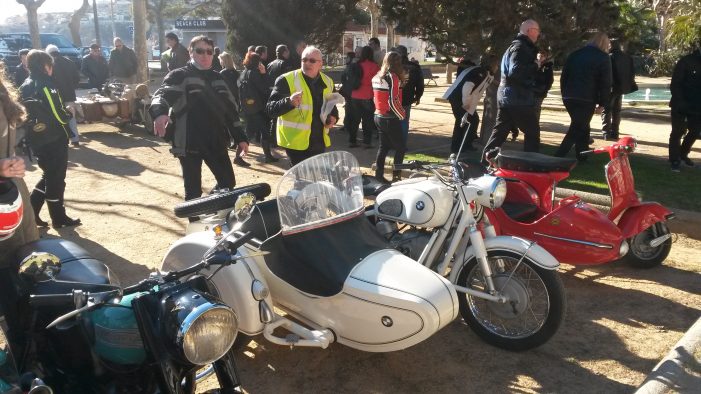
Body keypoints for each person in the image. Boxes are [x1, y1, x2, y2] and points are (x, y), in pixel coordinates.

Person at [150, 36, 249, 204]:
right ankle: (195, 223)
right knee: (193, 190)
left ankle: (211, 208)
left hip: (216, 140)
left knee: (227, 183)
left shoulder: (219, 78)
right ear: (191, 52)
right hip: (189, 141)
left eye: (209, 52)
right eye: (200, 51)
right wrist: (159, 113)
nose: (205, 55)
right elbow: (162, 95)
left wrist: (240, 137)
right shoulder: (179, 75)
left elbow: (231, 111)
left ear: (213, 54)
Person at [0, 62, 39, 358]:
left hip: (12, 197)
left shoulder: (3, 92)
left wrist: (15, 161)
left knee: (22, 269)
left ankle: (24, 354)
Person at [19, 50, 81, 228]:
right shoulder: (46, 84)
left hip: (36, 138)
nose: (51, 68)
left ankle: (32, 211)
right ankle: (58, 217)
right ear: (45, 66)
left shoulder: (25, 84)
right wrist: (69, 113)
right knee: (56, 178)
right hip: (53, 138)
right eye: (50, 65)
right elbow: (58, 114)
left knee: (48, 175)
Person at [481, 19, 542, 164]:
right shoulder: (521, 48)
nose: (538, 34)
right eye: (537, 30)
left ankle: (483, 165)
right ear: (529, 31)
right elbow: (516, 72)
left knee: (499, 134)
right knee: (533, 133)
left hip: (507, 96)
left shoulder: (515, 46)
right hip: (517, 97)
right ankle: (530, 166)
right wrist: (536, 65)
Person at [266, 46, 338, 166]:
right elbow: (270, 109)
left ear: (320, 64)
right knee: (301, 179)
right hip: (295, 143)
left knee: (316, 177)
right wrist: (289, 102)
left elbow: (332, 107)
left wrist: (333, 118)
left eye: (312, 61)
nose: (307, 63)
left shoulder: (328, 82)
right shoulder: (286, 80)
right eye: (304, 60)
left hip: (319, 140)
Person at [555, 32, 612, 161]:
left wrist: (565, 93)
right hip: (586, 97)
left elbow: (564, 76)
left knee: (582, 125)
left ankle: (582, 154)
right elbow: (605, 82)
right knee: (577, 127)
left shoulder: (575, 54)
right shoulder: (603, 57)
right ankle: (558, 156)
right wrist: (603, 103)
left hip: (570, 96)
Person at [444, 56, 496, 155]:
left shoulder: (483, 72)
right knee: (465, 122)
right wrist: (466, 103)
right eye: (497, 65)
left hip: (460, 98)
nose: (497, 68)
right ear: (492, 65)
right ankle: (458, 148)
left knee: (469, 122)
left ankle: (464, 145)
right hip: (459, 99)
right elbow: (467, 86)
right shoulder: (480, 73)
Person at [372, 51, 406, 183]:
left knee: (383, 147)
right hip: (390, 117)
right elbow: (393, 100)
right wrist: (401, 114)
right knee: (400, 148)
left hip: (378, 115)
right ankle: (396, 177)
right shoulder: (392, 77)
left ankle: (379, 175)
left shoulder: (377, 76)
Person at [239, 52, 279, 163]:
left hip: (248, 107)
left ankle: (239, 156)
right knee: (265, 131)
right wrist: (264, 73)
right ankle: (267, 156)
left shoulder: (244, 72)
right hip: (259, 107)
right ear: (257, 61)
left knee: (249, 132)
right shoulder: (255, 73)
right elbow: (265, 89)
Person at [668, 43, 701, 172]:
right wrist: (680, 101)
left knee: (695, 131)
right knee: (678, 131)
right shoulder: (686, 61)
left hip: (697, 105)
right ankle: (674, 160)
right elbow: (676, 83)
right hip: (681, 103)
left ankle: (683, 154)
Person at [219, 51, 250, 167]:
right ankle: (237, 155)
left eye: (220, 60)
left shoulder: (222, 74)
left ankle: (234, 154)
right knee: (238, 130)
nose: (220, 62)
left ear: (224, 60)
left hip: (225, 106)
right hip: (235, 105)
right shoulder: (236, 73)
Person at [46, 44, 81, 147]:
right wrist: (71, 87)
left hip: (55, 95)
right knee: (71, 117)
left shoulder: (49, 64)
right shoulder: (69, 62)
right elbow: (77, 78)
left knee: (58, 117)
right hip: (69, 94)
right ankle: (75, 139)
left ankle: (63, 139)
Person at [602, 39, 637, 140]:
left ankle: (606, 132)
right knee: (617, 111)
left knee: (607, 110)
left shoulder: (609, 57)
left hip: (611, 87)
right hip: (621, 87)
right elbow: (632, 73)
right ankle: (615, 132)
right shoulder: (627, 57)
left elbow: (607, 73)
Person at [347, 46, 379, 149]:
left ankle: (352, 141)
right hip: (367, 95)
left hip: (355, 95)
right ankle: (366, 142)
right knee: (367, 121)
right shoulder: (374, 66)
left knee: (355, 120)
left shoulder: (356, 65)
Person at [396, 45, 424, 143]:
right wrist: (418, 96)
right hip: (407, 98)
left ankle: (394, 143)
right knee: (404, 120)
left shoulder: (392, 66)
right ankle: (402, 143)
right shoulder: (414, 67)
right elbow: (420, 84)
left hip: (393, 97)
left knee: (394, 121)